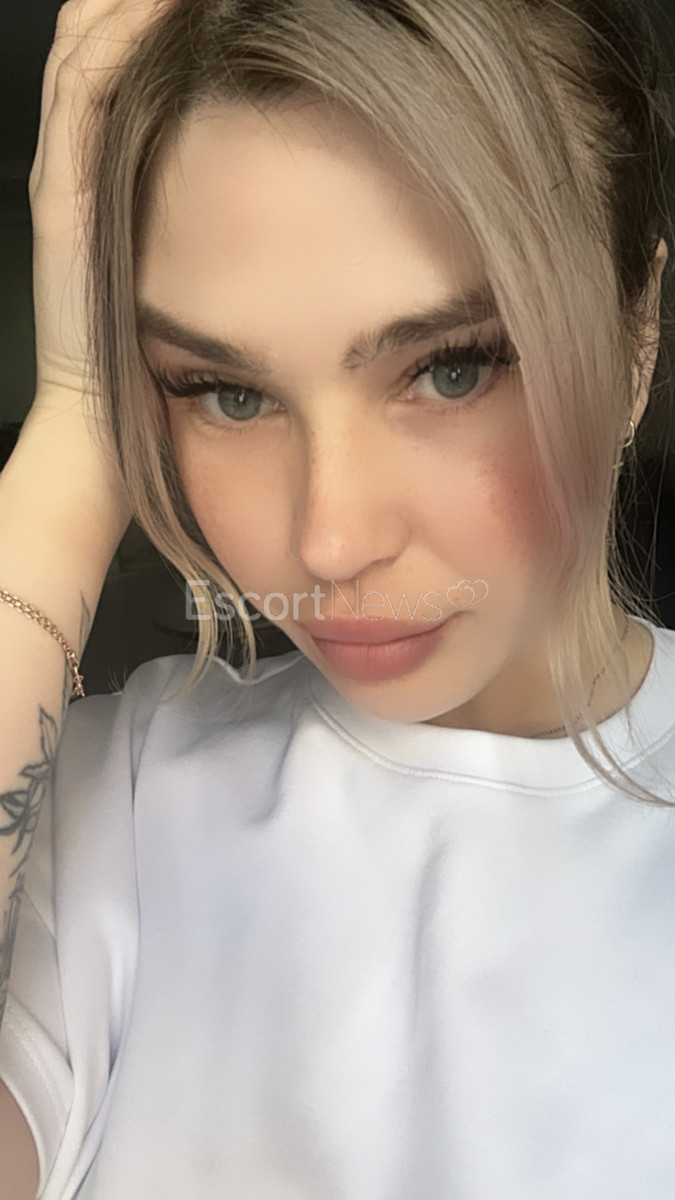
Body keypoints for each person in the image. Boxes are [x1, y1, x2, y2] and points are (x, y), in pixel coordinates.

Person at [1, 0, 675, 1194]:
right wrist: (69, 430)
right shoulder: (113, 804)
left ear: (637, 339)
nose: (329, 540)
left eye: (450, 370)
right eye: (225, 392)